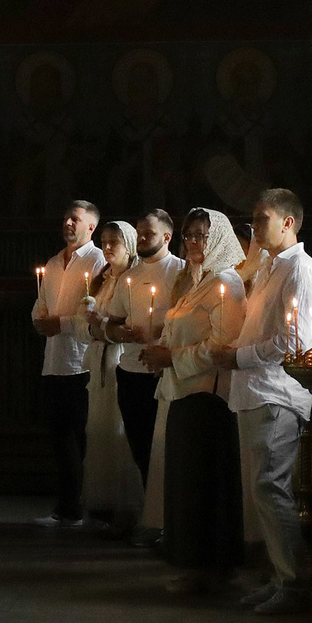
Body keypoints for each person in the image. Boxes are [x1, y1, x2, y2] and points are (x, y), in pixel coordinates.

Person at [210, 188, 312, 615]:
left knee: (271, 489)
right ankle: (280, 576)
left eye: (260, 219)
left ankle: (294, 585)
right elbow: (261, 327)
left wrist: (237, 356)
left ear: (288, 223)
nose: (254, 228)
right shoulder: (271, 267)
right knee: (262, 490)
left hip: (276, 392)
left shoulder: (302, 270)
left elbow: (296, 341)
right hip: (254, 391)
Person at [146, 209, 248, 594]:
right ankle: (192, 564)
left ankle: (210, 569)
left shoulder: (226, 282)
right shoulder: (192, 281)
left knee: (204, 485)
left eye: (202, 236)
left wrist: (171, 357)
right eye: (189, 235)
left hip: (209, 395)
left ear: (219, 237)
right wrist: (161, 350)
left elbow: (223, 343)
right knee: (185, 483)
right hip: (183, 391)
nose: (193, 243)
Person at [103, 208, 183, 542]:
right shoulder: (128, 277)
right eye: (138, 232)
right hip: (131, 370)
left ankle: (171, 523)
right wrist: (123, 334)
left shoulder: (181, 272)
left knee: (164, 448)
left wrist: (161, 332)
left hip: (166, 372)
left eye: (148, 232)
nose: (140, 238)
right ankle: (152, 519)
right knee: (140, 447)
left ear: (166, 236)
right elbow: (112, 322)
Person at [28, 200, 106, 528]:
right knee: (60, 438)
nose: (68, 224)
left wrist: (60, 323)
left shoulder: (98, 260)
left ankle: (85, 506)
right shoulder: (54, 262)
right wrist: (39, 320)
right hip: (54, 362)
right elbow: (40, 304)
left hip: (81, 362)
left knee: (82, 439)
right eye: (66, 219)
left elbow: (95, 311)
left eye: (75, 219)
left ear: (91, 226)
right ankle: (66, 507)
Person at [76, 220, 139, 531]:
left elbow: (126, 326)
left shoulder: (131, 280)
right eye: (104, 240)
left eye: (115, 241)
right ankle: (104, 506)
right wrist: (93, 324)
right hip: (99, 359)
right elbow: (88, 324)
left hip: (118, 360)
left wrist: (103, 325)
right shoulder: (102, 280)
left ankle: (127, 509)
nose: (108, 247)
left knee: (119, 432)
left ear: (130, 244)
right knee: (99, 431)